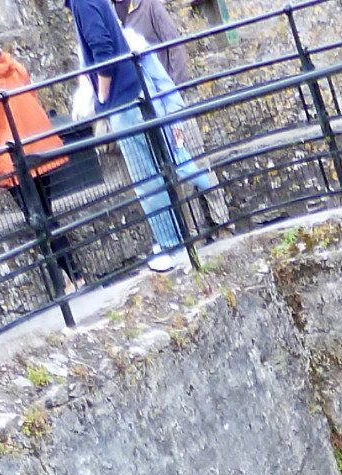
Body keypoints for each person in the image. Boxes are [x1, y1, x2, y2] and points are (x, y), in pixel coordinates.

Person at [0, 13, 84, 288]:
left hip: (11, 156)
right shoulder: (9, 63)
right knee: (46, 214)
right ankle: (73, 275)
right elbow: (32, 97)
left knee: (38, 219)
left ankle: (69, 280)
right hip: (40, 144)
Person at [63, 0, 188, 272]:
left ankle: (170, 244)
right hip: (132, 94)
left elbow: (103, 50)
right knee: (154, 171)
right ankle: (174, 241)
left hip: (123, 100)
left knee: (146, 178)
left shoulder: (82, 2)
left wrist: (102, 97)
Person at [117, 0, 229, 229]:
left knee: (197, 159)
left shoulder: (148, 6)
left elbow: (175, 46)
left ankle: (223, 222)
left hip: (169, 98)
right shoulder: (111, 15)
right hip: (145, 110)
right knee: (172, 172)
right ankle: (196, 232)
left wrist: (174, 92)